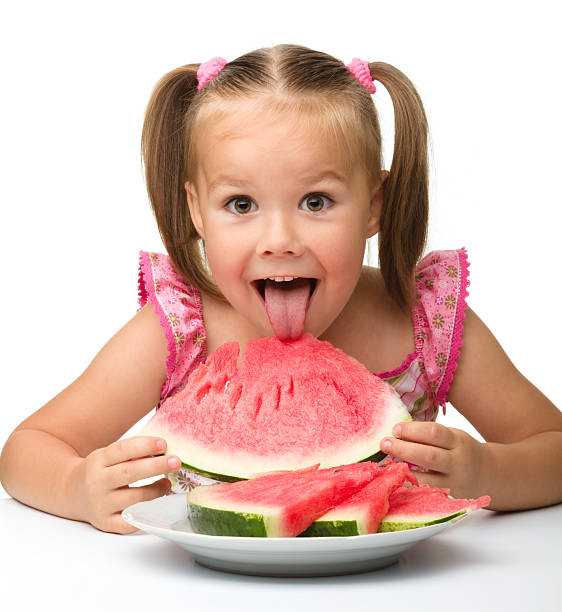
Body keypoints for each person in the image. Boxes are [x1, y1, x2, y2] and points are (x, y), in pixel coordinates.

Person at [0, 45, 560, 535]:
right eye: (240, 205)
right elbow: (27, 449)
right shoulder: (179, 328)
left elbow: (551, 446)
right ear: (196, 210)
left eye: (316, 201)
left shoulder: (424, 323)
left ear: (375, 206)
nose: (280, 240)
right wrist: (77, 486)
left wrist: (489, 471)